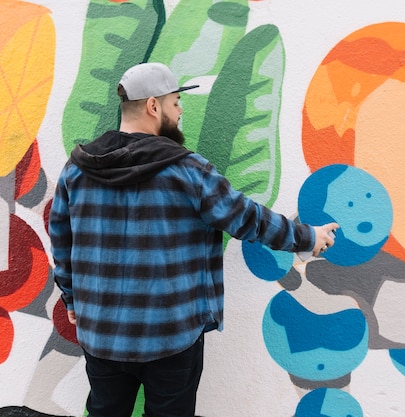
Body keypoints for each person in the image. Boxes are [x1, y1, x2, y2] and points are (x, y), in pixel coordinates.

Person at [48, 62, 339, 417]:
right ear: (153, 106)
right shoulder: (188, 171)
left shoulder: (77, 169)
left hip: (102, 335)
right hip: (170, 338)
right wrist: (307, 237)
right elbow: (247, 219)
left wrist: (72, 299)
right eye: (175, 103)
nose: (180, 110)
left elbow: (61, 240)